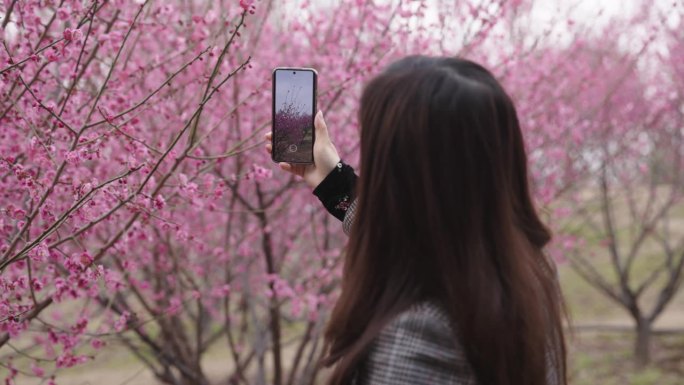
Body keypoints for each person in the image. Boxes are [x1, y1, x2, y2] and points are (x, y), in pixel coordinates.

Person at [265, 56, 567, 385]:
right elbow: (416, 238)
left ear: (399, 171)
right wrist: (332, 180)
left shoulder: (419, 333)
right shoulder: (524, 270)